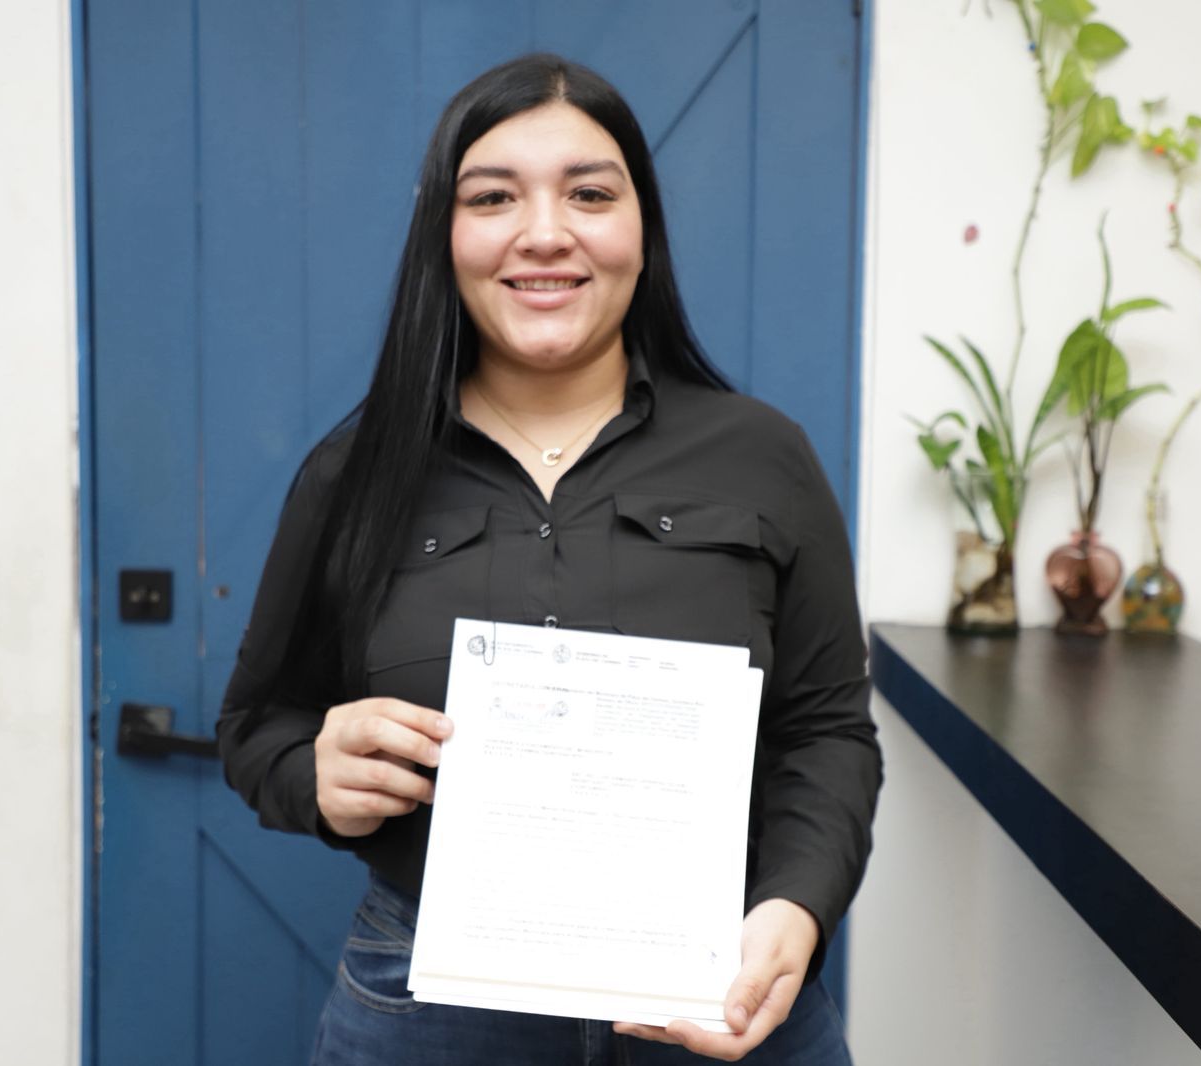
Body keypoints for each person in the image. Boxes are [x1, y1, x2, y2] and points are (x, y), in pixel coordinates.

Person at [216, 53, 881, 1066]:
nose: (543, 232)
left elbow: (826, 731)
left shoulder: (763, 456)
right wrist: (313, 771)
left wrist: (794, 908)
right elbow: (255, 726)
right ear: (444, 235)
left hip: (721, 991)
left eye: (589, 194)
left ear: (642, 229)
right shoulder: (353, 475)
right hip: (427, 1009)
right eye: (493, 197)